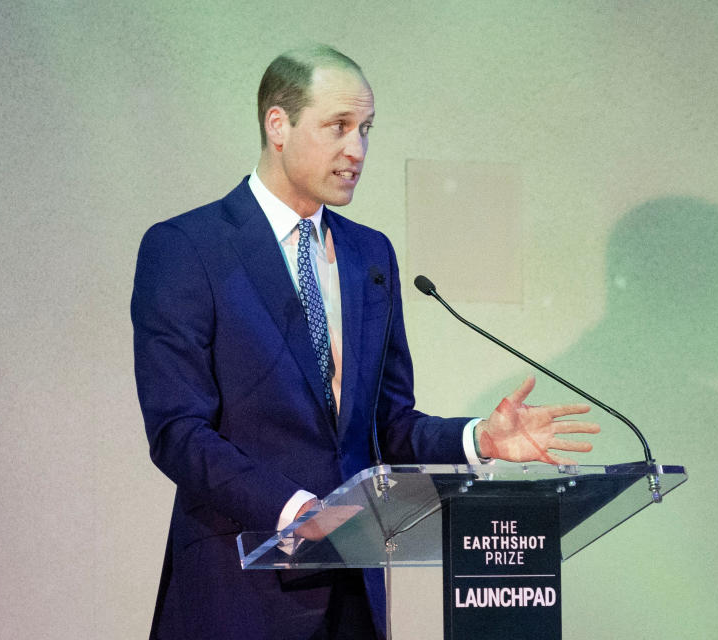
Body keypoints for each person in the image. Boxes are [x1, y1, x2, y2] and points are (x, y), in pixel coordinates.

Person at [131, 44, 599, 640]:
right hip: (237, 592)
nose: (358, 151)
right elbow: (178, 432)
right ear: (279, 124)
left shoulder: (368, 254)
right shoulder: (186, 248)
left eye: (366, 130)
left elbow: (385, 424)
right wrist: (297, 514)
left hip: (355, 597)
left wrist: (477, 439)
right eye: (338, 127)